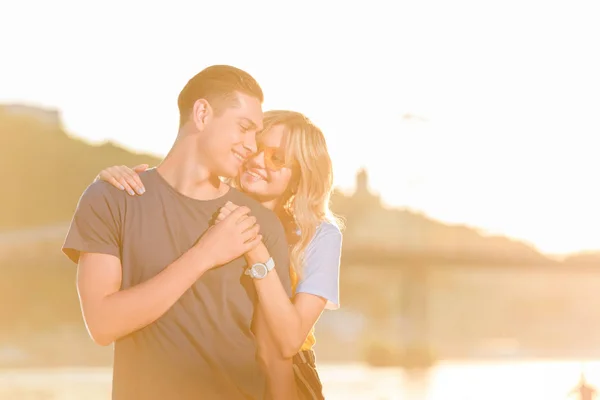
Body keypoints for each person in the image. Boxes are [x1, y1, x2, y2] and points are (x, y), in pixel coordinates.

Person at [62, 65, 296, 400]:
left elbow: (275, 360)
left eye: (255, 133)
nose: (251, 146)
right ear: (202, 114)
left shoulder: (259, 223)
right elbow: (102, 324)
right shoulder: (110, 199)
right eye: (244, 128)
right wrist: (205, 255)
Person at [95, 110, 343, 399]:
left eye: (277, 158)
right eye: (256, 146)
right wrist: (117, 187)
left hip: (282, 381)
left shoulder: (319, 235)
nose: (258, 160)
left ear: (299, 176)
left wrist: (256, 249)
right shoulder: (207, 209)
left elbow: (288, 342)